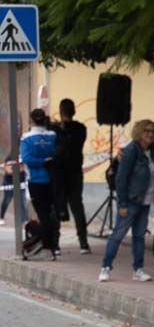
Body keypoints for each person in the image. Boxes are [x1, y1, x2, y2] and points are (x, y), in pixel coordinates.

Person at [99, 120, 154, 281]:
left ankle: (138, 270)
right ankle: (105, 267)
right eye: (146, 131)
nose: (150, 134)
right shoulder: (131, 150)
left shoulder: (153, 152)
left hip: (145, 202)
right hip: (131, 201)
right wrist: (122, 203)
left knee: (139, 236)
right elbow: (121, 179)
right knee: (118, 235)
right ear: (139, 132)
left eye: (153, 131)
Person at [19, 108, 59, 259]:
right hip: (52, 180)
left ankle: (44, 247)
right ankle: (47, 247)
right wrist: (48, 161)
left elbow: (27, 159)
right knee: (48, 214)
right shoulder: (53, 136)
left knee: (43, 216)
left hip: (36, 181)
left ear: (31, 120)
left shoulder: (26, 138)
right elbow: (56, 154)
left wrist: (42, 161)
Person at [53, 98, 89, 254]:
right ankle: (83, 243)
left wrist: (58, 127)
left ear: (61, 112)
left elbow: (58, 145)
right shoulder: (81, 128)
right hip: (75, 173)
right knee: (77, 208)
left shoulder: (55, 130)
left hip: (59, 174)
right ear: (74, 111)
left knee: (56, 207)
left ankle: (55, 245)